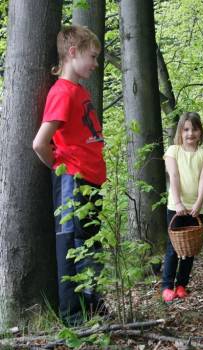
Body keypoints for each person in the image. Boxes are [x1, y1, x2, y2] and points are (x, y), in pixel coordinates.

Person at [32, 25, 106, 326]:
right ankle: (73, 316)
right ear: (72, 52)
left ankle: (92, 304)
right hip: (73, 180)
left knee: (89, 244)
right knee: (72, 246)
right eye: (92, 56)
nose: (96, 63)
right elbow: (39, 143)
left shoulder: (79, 90)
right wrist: (61, 168)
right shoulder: (62, 92)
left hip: (90, 180)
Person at [161, 112, 203, 302]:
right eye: (186, 129)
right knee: (174, 247)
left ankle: (182, 284)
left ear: (200, 132)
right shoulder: (173, 150)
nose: (190, 133)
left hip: (197, 209)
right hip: (176, 206)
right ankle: (167, 286)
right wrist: (178, 203)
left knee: (190, 249)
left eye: (194, 129)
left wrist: (198, 204)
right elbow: (173, 176)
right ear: (180, 132)